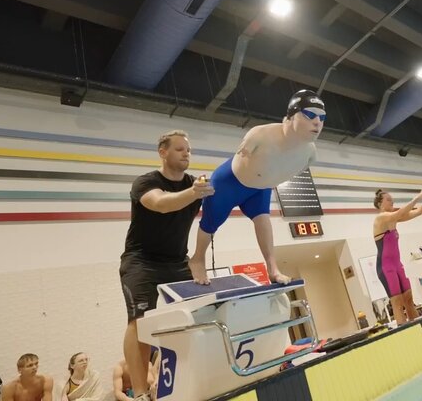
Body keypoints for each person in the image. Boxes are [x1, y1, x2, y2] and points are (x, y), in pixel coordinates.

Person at [189, 89, 326, 285]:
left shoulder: (310, 154)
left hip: (261, 189)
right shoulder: (260, 135)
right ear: (290, 116)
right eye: (310, 115)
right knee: (211, 223)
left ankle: (273, 269)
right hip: (230, 183)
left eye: (322, 118)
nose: (317, 122)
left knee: (264, 222)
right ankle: (198, 259)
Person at [119, 130, 214, 401]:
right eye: (180, 149)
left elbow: (220, 207)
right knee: (140, 321)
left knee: (199, 314)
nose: (187, 153)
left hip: (178, 261)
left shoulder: (196, 184)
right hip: (141, 261)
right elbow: (160, 204)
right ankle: (139, 393)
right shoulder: (146, 182)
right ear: (163, 152)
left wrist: (198, 257)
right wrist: (194, 192)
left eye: (189, 150)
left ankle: (194, 377)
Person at [372, 187, 422, 325]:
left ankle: (420, 328)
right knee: (397, 302)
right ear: (380, 203)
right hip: (386, 268)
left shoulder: (394, 219)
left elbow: (419, 211)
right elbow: (401, 211)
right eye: (388, 199)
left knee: (409, 300)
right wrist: (420, 195)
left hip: (398, 265)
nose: (392, 201)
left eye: (392, 199)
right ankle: (407, 332)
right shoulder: (381, 218)